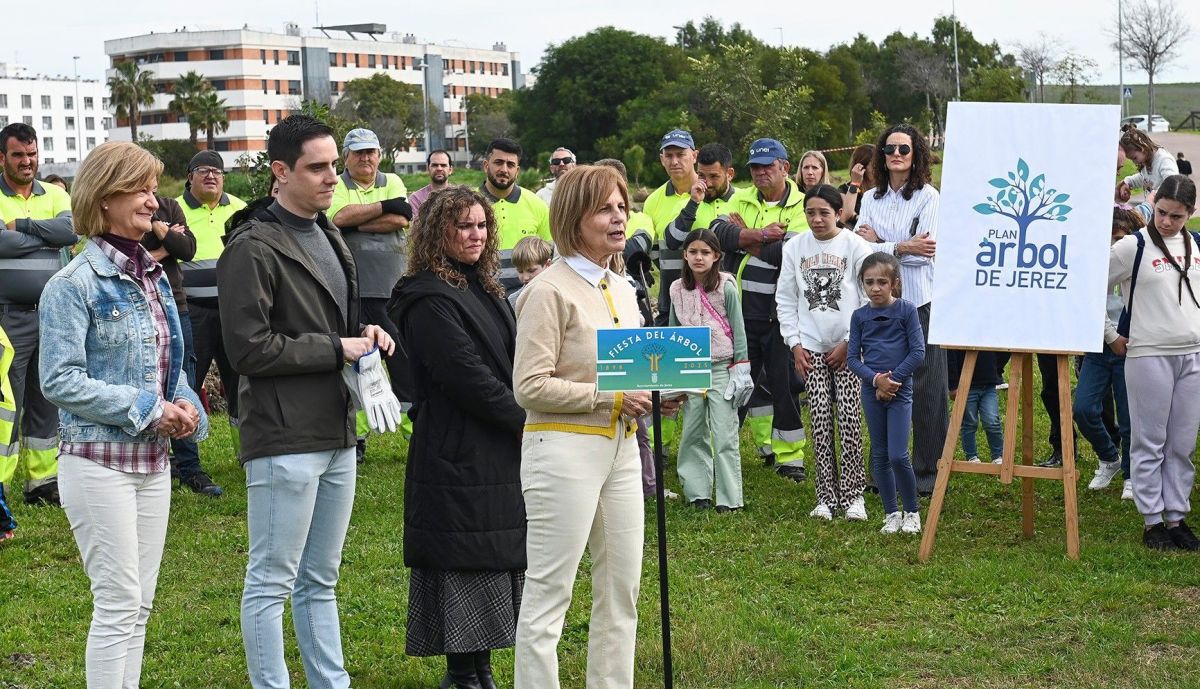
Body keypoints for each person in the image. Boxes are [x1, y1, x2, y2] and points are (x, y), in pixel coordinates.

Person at [218, 114, 395, 688]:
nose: (331, 179)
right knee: (271, 581)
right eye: (316, 168)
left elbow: (333, 324)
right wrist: (336, 347)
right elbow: (248, 350)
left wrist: (366, 335)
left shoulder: (330, 235)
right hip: (282, 433)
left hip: (339, 429)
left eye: (332, 166)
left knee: (321, 579)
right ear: (279, 172)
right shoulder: (251, 247)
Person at [38, 141, 209, 688]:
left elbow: (167, 363)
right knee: (117, 603)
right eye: (139, 188)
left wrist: (184, 404)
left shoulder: (153, 275)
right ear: (105, 197)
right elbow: (58, 379)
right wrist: (147, 409)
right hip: (97, 462)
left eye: (152, 188)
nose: (153, 200)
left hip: (152, 465)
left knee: (139, 605)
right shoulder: (71, 285)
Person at [512, 165, 648, 689]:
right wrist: (607, 397)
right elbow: (529, 386)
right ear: (573, 217)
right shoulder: (547, 291)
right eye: (604, 209)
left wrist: (655, 393)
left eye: (621, 207)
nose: (618, 218)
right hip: (562, 449)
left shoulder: (623, 286)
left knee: (621, 589)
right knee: (550, 594)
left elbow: (632, 371)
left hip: (623, 449)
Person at [389, 186, 526, 689]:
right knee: (463, 556)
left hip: (494, 445)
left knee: (492, 552)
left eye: (482, 225)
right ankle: (461, 674)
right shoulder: (426, 296)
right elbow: (465, 375)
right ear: (436, 232)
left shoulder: (484, 286)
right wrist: (524, 420)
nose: (475, 235)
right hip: (455, 446)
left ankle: (482, 670)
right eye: (463, 226)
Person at [1106, 174, 1200, 552]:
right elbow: (1089, 286)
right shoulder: (1133, 246)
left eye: (1176, 216)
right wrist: (1111, 334)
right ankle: (1152, 521)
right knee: (1150, 440)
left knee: (1182, 443)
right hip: (1148, 355)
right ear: (1155, 203)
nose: (1166, 222)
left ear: (1190, 214)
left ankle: (1177, 516)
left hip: (1192, 355)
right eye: (1161, 212)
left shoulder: (1195, 245)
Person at [709, 137, 809, 478]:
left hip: (782, 312)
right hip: (740, 310)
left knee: (784, 384)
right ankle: (723, 452)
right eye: (755, 167)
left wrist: (745, 238)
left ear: (784, 166)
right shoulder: (741, 197)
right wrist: (764, 234)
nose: (761, 172)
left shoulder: (801, 203)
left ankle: (790, 457)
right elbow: (717, 235)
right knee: (736, 380)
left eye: (768, 165)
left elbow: (790, 254)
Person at [854, 123, 945, 496]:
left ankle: (927, 474)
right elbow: (863, 253)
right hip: (878, 305)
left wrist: (884, 244)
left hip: (920, 302)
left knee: (926, 389)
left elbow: (925, 253)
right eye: (890, 148)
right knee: (880, 382)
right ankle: (883, 472)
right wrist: (901, 246)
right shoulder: (870, 199)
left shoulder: (928, 196)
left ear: (916, 154)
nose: (896, 155)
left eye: (904, 149)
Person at [777, 184, 873, 521]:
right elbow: (786, 298)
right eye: (810, 213)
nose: (817, 220)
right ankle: (825, 496)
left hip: (849, 349)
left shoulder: (855, 246)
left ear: (839, 213)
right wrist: (795, 343)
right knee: (819, 422)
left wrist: (850, 342)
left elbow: (866, 298)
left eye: (824, 213)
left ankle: (853, 495)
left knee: (849, 420)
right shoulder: (795, 247)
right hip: (811, 348)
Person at [0, 122, 74, 509]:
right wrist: (44, 237)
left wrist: (22, 228)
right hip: (6, 318)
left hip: (50, 315)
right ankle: (1, 486)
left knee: (47, 397)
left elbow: (71, 231)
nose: (27, 161)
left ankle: (42, 482)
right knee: (6, 402)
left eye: (31, 154)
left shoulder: (57, 192)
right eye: (18, 155)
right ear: (2, 157)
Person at [329, 127, 416, 453]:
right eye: (359, 152)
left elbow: (402, 220)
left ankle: (414, 432)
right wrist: (385, 207)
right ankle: (358, 439)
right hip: (351, 290)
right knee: (357, 362)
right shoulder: (336, 183)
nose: (366, 158)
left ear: (379, 154)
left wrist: (356, 223)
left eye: (371, 152)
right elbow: (337, 217)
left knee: (404, 361)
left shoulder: (392, 180)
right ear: (347, 156)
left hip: (392, 288)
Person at [141, 191, 221, 496]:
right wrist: (165, 247)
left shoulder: (168, 206)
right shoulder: (124, 208)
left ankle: (190, 468)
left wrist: (159, 230)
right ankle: (152, 463)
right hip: (140, 304)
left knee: (182, 382)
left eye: (152, 185)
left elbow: (187, 249)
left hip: (175, 304)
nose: (150, 195)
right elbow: (130, 255)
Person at [669, 228, 751, 512]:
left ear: (717, 256)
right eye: (693, 252)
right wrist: (672, 373)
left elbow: (738, 330)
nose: (699, 257)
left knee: (724, 433)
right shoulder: (676, 288)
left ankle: (730, 499)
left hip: (721, 366)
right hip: (690, 369)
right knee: (692, 431)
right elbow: (673, 330)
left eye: (705, 252)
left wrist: (740, 369)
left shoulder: (726, 286)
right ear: (685, 255)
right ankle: (697, 493)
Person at [847, 253, 924, 535]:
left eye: (882, 282)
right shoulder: (859, 317)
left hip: (900, 391)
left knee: (897, 455)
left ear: (895, 283)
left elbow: (918, 352)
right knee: (879, 453)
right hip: (872, 390)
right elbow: (854, 359)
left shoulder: (907, 311)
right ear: (862, 284)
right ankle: (891, 513)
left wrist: (893, 380)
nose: (875, 288)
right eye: (869, 282)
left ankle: (912, 512)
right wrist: (877, 380)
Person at [177, 150, 247, 453]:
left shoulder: (241, 209)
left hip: (234, 311)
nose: (210, 176)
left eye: (217, 171)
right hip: (192, 312)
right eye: (203, 170)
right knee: (186, 385)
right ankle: (186, 461)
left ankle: (247, 452)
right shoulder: (174, 209)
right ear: (190, 176)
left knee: (241, 387)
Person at [1075, 207, 1140, 499]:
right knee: (1084, 409)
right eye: (1110, 238)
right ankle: (1109, 457)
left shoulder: (1137, 266)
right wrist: (1111, 337)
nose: (1114, 245)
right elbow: (1088, 299)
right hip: (1100, 348)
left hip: (1132, 348)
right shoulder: (1097, 265)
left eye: (1120, 238)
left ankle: (1131, 473)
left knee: (1129, 416)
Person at [480, 138, 552, 295]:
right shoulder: (469, 204)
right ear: (486, 165)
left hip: (528, 296)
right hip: (482, 297)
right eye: (498, 162)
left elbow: (550, 255)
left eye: (510, 165)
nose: (504, 169)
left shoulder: (536, 204)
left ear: (517, 171)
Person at [643, 129, 699, 327]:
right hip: (670, 299)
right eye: (669, 155)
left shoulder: (710, 192)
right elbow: (654, 251)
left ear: (694, 156)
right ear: (661, 159)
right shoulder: (652, 201)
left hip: (710, 300)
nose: (674, 161)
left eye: (681, 154)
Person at [947, 350, 1004, 464]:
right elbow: (951, 356)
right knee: (969, 422)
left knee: (992, 421)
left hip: (989, 384)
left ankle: (998, 456)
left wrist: (997, 370)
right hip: (966, 385)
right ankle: (971, 456)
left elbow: (1003, 351)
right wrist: (953, 385)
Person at [1116, 126, 1178, 203]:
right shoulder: (1147, 161)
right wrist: (1128, 182)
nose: (1134, 162)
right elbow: (1144, 179)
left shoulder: (1164, 160)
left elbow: (1172, 182)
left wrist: (1153, 196)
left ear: (1143, 147)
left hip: (1166, 210)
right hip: (1154, 208)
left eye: (1134, 158)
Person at [508, 235, 554, 308]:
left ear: (547, 264)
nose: (525, 277)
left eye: (531, 271)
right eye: (520, 271)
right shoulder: (514, 300)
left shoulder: (557, 295)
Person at [409, 149, 454, 218]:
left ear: (450, 170)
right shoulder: (416, 198)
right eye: (435, 165)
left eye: (443, 165)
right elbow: (417, 227)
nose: (439, 168)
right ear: (428, 169)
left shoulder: (460, 196)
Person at [839, 144, 874, 229]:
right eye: (875, 166)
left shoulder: (885, 189)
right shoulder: (844, 189)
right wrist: (855, 183)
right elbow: (844, 218)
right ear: (861, 167)